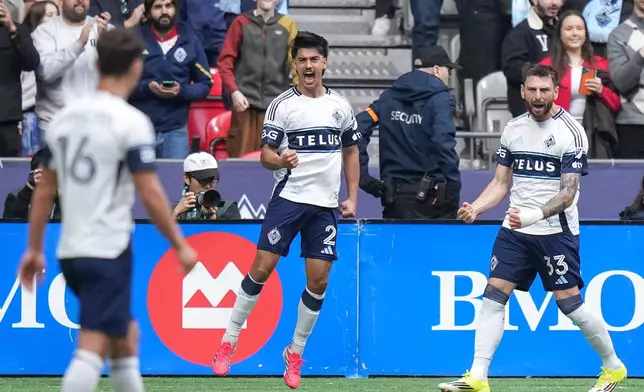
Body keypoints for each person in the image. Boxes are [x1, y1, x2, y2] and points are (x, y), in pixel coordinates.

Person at [17, 28, 197, 392]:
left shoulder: (65, 118)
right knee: (93, 345)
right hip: (108, 249)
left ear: (98, 64)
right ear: (135, 68)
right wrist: (180, 244)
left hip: (71, 251)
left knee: (125, 336)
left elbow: (43, 191)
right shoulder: (131, 121)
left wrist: (35, 248)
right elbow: (149, 192)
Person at [437, 63, 627, 392]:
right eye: (532, 90)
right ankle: (478, 376)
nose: (538, 96)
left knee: (570, 304)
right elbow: (500, 183)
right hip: (515, 231)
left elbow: (568, 194)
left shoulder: (571, 131)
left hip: (555, 232)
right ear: (523, 91)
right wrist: (477, 207)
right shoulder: (513, 129)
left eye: (544, 90)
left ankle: (613, 366)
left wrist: (533, 215)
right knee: (494, 294)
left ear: (555, 92)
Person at [211, 31, 361, 390]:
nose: (308, 66)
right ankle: (229, 340)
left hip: (324, 208)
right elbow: (265, 156)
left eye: (314, 60)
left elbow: (352, 152)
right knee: (261, 269)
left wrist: (353, 196)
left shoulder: (340, 106)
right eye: (302, 60)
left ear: (324, 62)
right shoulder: (283, 105)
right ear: (294, 65)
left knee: (319, 281)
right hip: (289, 199)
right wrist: (281, 158)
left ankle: (295, 351)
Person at [356, 46, 461, 219]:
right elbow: (443, 140)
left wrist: (363, 177)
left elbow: (358, 127)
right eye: (448, 70)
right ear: (436, 70)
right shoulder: (441, 98)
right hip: (434, 202)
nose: (449, 76)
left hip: (395, 200)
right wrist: (454, 187)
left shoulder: (388, 97)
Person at [539, 10, 621, 158]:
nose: (575, 33)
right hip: (555, 136)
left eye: (579, 28)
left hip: (592, 137)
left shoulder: (601, 65)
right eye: (569, 29)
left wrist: (601, 90)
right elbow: (534, 105)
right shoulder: (546, 66)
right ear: (560, 34)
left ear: (585, 33)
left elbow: (616, 105)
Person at [173, 151, 241, 220]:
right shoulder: (174, 210)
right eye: (202, 180)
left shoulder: (226, 208)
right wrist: (175, 216)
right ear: (186, 178)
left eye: (212, 181)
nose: (208, 186)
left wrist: (213, 219)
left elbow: (230, 231)